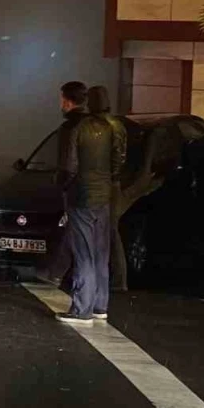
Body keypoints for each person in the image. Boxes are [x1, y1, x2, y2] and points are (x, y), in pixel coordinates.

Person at [55, 80, 126, 327]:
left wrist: (62, 186)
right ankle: (99, 306)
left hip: (81, 196)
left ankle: (81, 309)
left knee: (83, 252)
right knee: (100, 252)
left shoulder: (78, 128)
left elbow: (69, 166)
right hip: (104, 196)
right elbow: (118, 161)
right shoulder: (111, 126)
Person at [87, 85, 128, 293]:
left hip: (106, 183)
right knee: (109, 230)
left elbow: (114, 159)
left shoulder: (101, 126)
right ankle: (115, 279)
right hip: (111, 182)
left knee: (108, 230)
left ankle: (118, 280)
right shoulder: (116, 125)